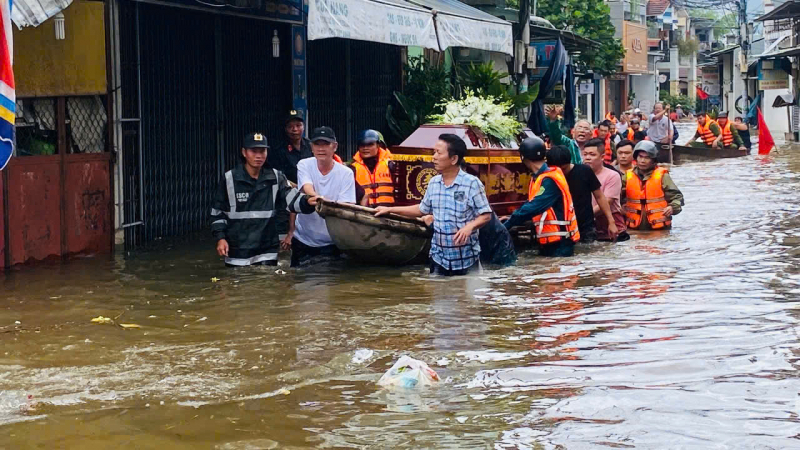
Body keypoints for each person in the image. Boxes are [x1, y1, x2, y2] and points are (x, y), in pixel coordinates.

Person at [375, 134, 492, 276]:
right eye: (433, 152)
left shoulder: (472, 183)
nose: (434, 157)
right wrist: (389, 210)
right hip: (439, 259)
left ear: (454, 159)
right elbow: (421, 209)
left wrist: (469, 227)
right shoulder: (434, 183)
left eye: (439, 153)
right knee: (438, 295)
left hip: (467, 259)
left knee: (468, 297)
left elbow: (486, 215)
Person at [211, 132, 319, 267]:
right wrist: (221, 238)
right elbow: (217, 212)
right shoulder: (229, 179)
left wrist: (307, 202)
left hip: (267, 249)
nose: (258, 156)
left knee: (267, 285)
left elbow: (291, 199)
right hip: (238, 251)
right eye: (254, 151)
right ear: (244, 153)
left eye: (262, 151)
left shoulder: (275, 177)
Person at [290, 126, 356, 267]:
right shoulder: (304, 164)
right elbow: (306, 188)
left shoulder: (346, 173)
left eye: (326, 144)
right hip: (303, 239)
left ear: (335, 146)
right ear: (311, 147)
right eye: (317, 144)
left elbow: (346, 208)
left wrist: (325, 205)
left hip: (332, 242)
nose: (321, 149)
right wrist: (318, 199)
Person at [502, 138, 580, 256]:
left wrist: (506, 225)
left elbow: (533, 207)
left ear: (524, 158)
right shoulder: (544, 177)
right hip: (554, 241)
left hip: (560, 244)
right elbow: (533, 205)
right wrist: (510, 218)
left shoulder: (549, 180)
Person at [543, 143, 617, 244]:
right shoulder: (548, 177)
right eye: (557, 170)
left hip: (586, 227)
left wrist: (611, 221)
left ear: (569, 162)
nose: (561, 173)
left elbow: (599, 196)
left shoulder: (584, 171)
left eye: (563, 169)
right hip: (560, 228)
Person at [622, 141, 684, 231]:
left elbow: (677, 197)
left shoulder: (662, 176)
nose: (642, 161)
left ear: (653, 160)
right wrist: (620, 206)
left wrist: (672, 207)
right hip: (633, 228)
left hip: (659, 228)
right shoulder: (627, 176)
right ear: (636, 158)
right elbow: (615, 196)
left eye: (647, 157)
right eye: (640, 157)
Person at [582, 141, 628, 242]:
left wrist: (584, 217)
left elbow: (607, 201)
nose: (587, 158)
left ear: (602, 157)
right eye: (585, 154)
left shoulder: (612, 175)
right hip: (590, 228)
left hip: (612, 228)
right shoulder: (580, 175)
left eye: (592, 154)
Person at [351, 129, 395, 207]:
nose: (365, 148)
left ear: (378, 145)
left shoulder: (391, 165)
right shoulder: (352, 169)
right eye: (362, 145)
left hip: (389, 213)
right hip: (363, 214)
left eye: (370, 144)